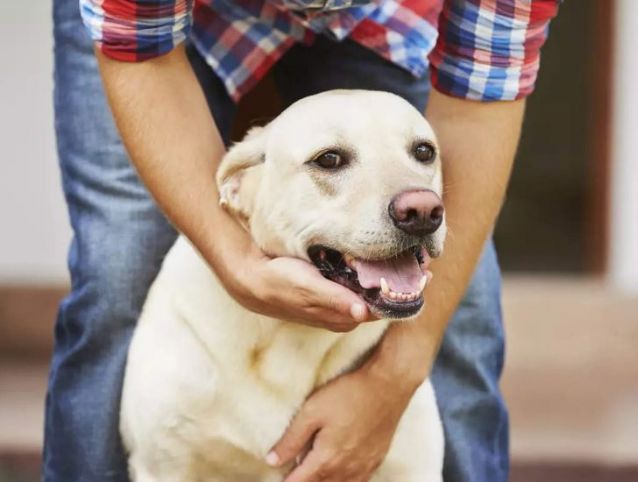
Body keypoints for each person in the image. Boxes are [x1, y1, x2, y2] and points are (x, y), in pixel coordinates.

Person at [44, 0, 558, 481]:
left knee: (463, 308)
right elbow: (142, 56)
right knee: (119, 271)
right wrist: (235, 263)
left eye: (423, 154)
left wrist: (398, 372)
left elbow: (477, 108)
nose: (415, 199)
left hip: (394, 13)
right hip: (158, 28)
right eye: (329, 162)